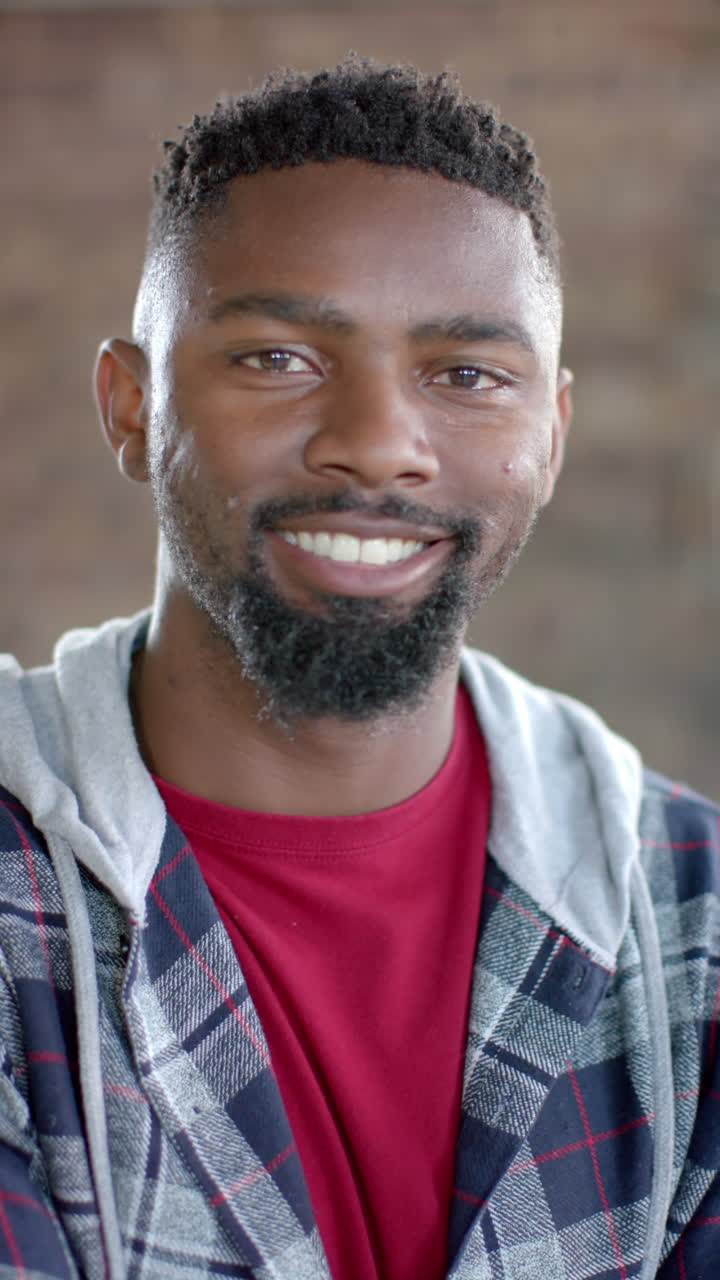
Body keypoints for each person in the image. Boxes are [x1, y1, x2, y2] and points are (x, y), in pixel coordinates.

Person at [0, 55, 717, 1280]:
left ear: (549, 437)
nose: (380, 442)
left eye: (468, 375)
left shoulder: (691, 920)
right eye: (280, 356)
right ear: (131, 406)